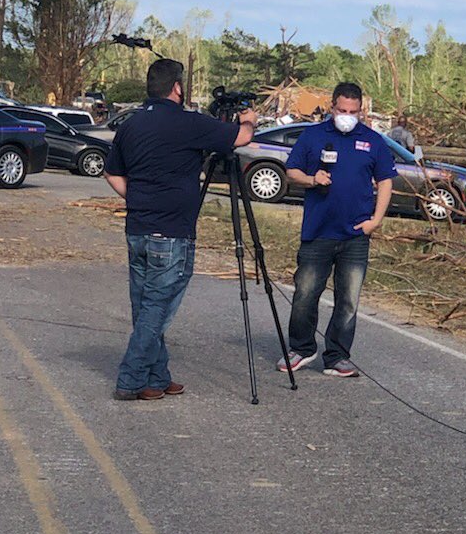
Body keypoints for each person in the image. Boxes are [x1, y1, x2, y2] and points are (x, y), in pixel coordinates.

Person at [104, 59, 258, 400]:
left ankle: (156, 377)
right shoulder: (188, 123)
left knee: (145, 305)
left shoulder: (131, 124)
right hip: (171, 233)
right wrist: (248, 118)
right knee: (158, 308)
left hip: (138, 229)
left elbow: (112, 173)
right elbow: (242, 137)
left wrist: (141, 198)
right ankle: (131, 378)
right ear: (177, 87)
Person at [277, 82, 396, 378]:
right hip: (318, 231)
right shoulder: (313, 135)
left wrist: (376, 220)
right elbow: (291, 171)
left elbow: (385, 181)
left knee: (348, 300)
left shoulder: (373, 141)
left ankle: (337, 356)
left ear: (361, 111)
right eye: (342, 110)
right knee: (305, 294)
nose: (347, 116)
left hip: (356, 234)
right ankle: (302, 348)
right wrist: (312, 179)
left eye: (353, 112)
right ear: (332, 108)